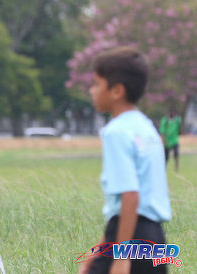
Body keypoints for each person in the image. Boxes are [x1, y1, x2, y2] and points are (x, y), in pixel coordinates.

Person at [79, 47, 172, 274]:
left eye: (97, 84)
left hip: (128, 240)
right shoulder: (147, 128)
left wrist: (120, 258)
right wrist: (100, 247)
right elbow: (124, 209)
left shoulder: (116, 132)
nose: (92, 91)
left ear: (117, 91)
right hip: (155, 239)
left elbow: (130, 196)